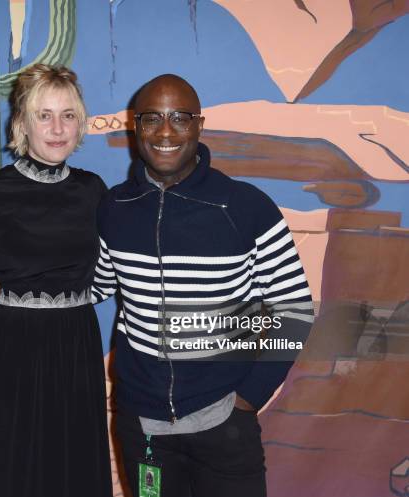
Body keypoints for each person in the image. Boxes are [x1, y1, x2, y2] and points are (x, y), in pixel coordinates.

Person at [91, 74, 314, 496]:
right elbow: (97, 284)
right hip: (143, 426)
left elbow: (293, 306)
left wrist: (248, 397)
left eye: (180, 117)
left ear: (199, 125)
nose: (165, 131)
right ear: (135, 127)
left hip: (224, 422)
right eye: (152, 118)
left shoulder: (245, 206)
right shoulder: (115, 207)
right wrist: (13, 285)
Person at [0, 64, 112, 497]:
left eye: (68, 115)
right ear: (21, 124)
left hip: (75, 360)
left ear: (81, 122)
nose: (57, 128)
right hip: (4, 362)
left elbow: (111, 274)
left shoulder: (95, 192)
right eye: (43, 115)